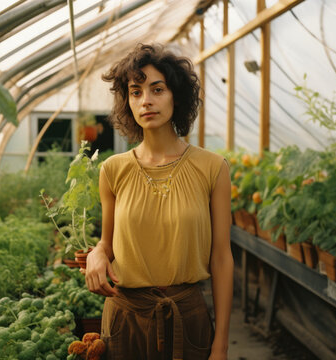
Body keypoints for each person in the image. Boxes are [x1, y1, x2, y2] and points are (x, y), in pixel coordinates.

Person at [84, 43, 233, 360]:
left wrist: (220, 345)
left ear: (175, 96)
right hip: (126, 319)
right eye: (135, 92)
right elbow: (107, 243)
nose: (146, 101)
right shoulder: (113, 170)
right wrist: (97, 254)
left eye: (157, 89)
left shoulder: (213, 168)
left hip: (187, 317)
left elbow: (221, 258)